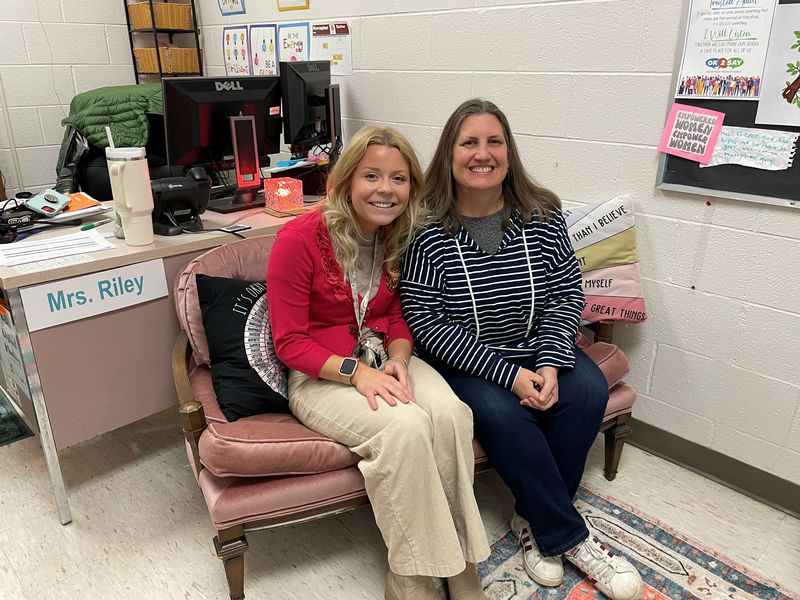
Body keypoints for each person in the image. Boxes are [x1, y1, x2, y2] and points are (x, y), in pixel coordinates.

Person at [400, 99, 643, 600]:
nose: (482, 154)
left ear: (509, 153)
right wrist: (507, 375)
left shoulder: (542, 215)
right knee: (502, 413)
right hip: (467, 361)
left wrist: (552, 361)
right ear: (449, 154)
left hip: (538, 348)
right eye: (469, 143)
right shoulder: (425, 231)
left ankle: (532, 520)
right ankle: (570, 536)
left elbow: (565, 293)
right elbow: (427, 324)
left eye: (494, 142)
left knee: (587, 390)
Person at [267, 126, 490, 600]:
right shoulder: (299, 238)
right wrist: (358, 372)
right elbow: (289, 342)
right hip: (322, 374)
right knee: (404, 428)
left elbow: (392, 313)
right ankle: (412, 583)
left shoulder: (395, 235)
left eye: (399, 178)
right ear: (347, 180)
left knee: (450, 414)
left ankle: (460, 564)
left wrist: (401, 358)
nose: (386, 189)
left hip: (382, 357)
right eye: (372, 175)